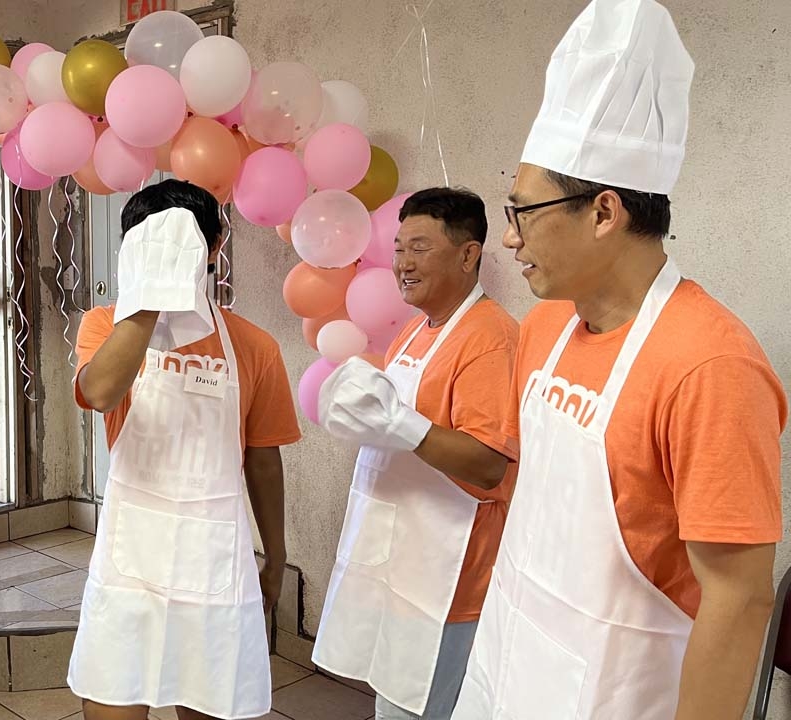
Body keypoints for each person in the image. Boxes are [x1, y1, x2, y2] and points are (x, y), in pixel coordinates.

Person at [451, 2, 786, 718]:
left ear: (604, 212)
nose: (509, 239)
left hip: (621, 692)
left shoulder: (711, 367)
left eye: (523, 213)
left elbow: (739, 598)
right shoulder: (545, 326)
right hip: (511, 656)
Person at [67, 179, 302, 720]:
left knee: (209, 700)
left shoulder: (254, 345)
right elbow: (99, 392)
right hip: (131, 563)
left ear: (214, 248)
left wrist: (276, 555)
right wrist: (152, 297)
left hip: (211, 558)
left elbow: (263, 460)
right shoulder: (107, 325)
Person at [315, 188, 520, 720]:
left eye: (420, 249)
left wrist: (399, 424)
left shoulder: (490, 337)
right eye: (399, 249)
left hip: (447, 578)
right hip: (395, 557)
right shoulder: (413, 330)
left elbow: (488, 462)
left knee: (424, 707)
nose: (403, 264)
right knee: (393, 700)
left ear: (468, 254)